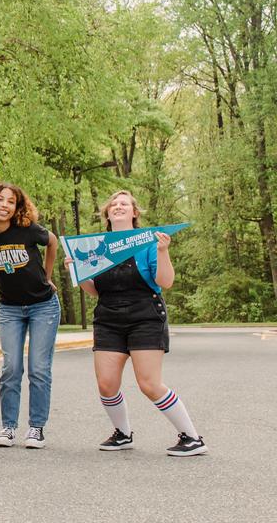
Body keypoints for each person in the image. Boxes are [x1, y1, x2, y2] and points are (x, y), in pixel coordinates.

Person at [71, 190, 206, 456]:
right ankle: (122, 434)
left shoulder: (148, 243)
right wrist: (76, 271)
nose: (118, 206)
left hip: (145, 316)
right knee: (106, 384)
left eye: (124, 203)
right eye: (114, 204)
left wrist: (163, 251)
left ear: (134, 213)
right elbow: (95, 290)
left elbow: (165, 282)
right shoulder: (97, 245)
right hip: (108, 318)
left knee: (149, 384)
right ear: (107, 213)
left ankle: (192, 437)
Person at [0, 182, 60, 449]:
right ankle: (8, 427)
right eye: (0, 199)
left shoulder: (28, 229)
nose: (5, 205)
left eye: (11, 201)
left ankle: (36, 428)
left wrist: (47, 275)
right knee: (11, 369)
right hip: (9, 308)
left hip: (43, 305)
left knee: (38, 369)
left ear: (17, 207)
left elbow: (52, 241)